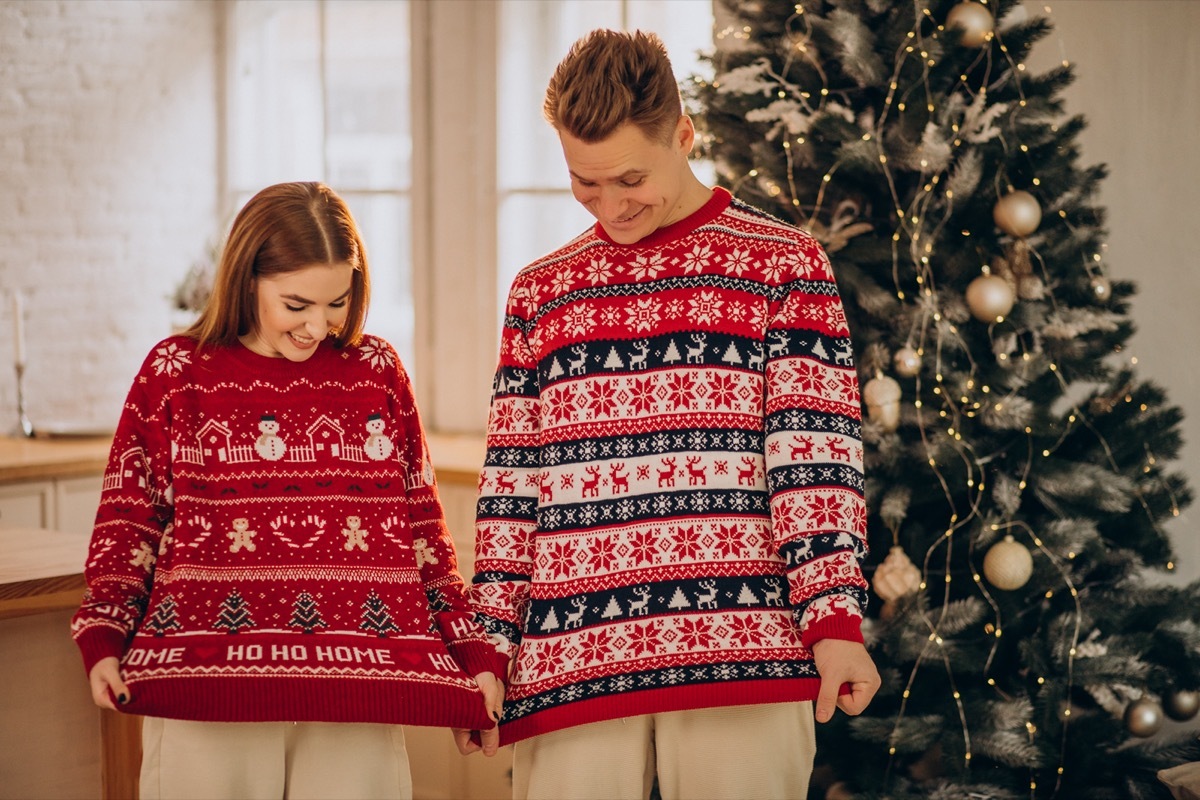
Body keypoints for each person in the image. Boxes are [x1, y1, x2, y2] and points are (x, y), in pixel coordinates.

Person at [454, 29, 881, 800]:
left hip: (745, 654)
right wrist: (487, 649)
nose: (611, 206)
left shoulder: (782, 267)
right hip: (571, 666)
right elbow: (511, 489)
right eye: (586, 185)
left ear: (682, 136)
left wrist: (835, 622)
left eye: (630, 178)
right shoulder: (541, 293)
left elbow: (814, 463)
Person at [71, 181, 506, 800]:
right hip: (205, 693)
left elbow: (424, 532)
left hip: (360, 696)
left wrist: (474, 656)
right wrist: (104, 634)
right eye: (296, 303)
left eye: (337, 302)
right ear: (247, 278)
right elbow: (129, 523)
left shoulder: (377, 372)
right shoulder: (175, 375)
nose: (317, 327)